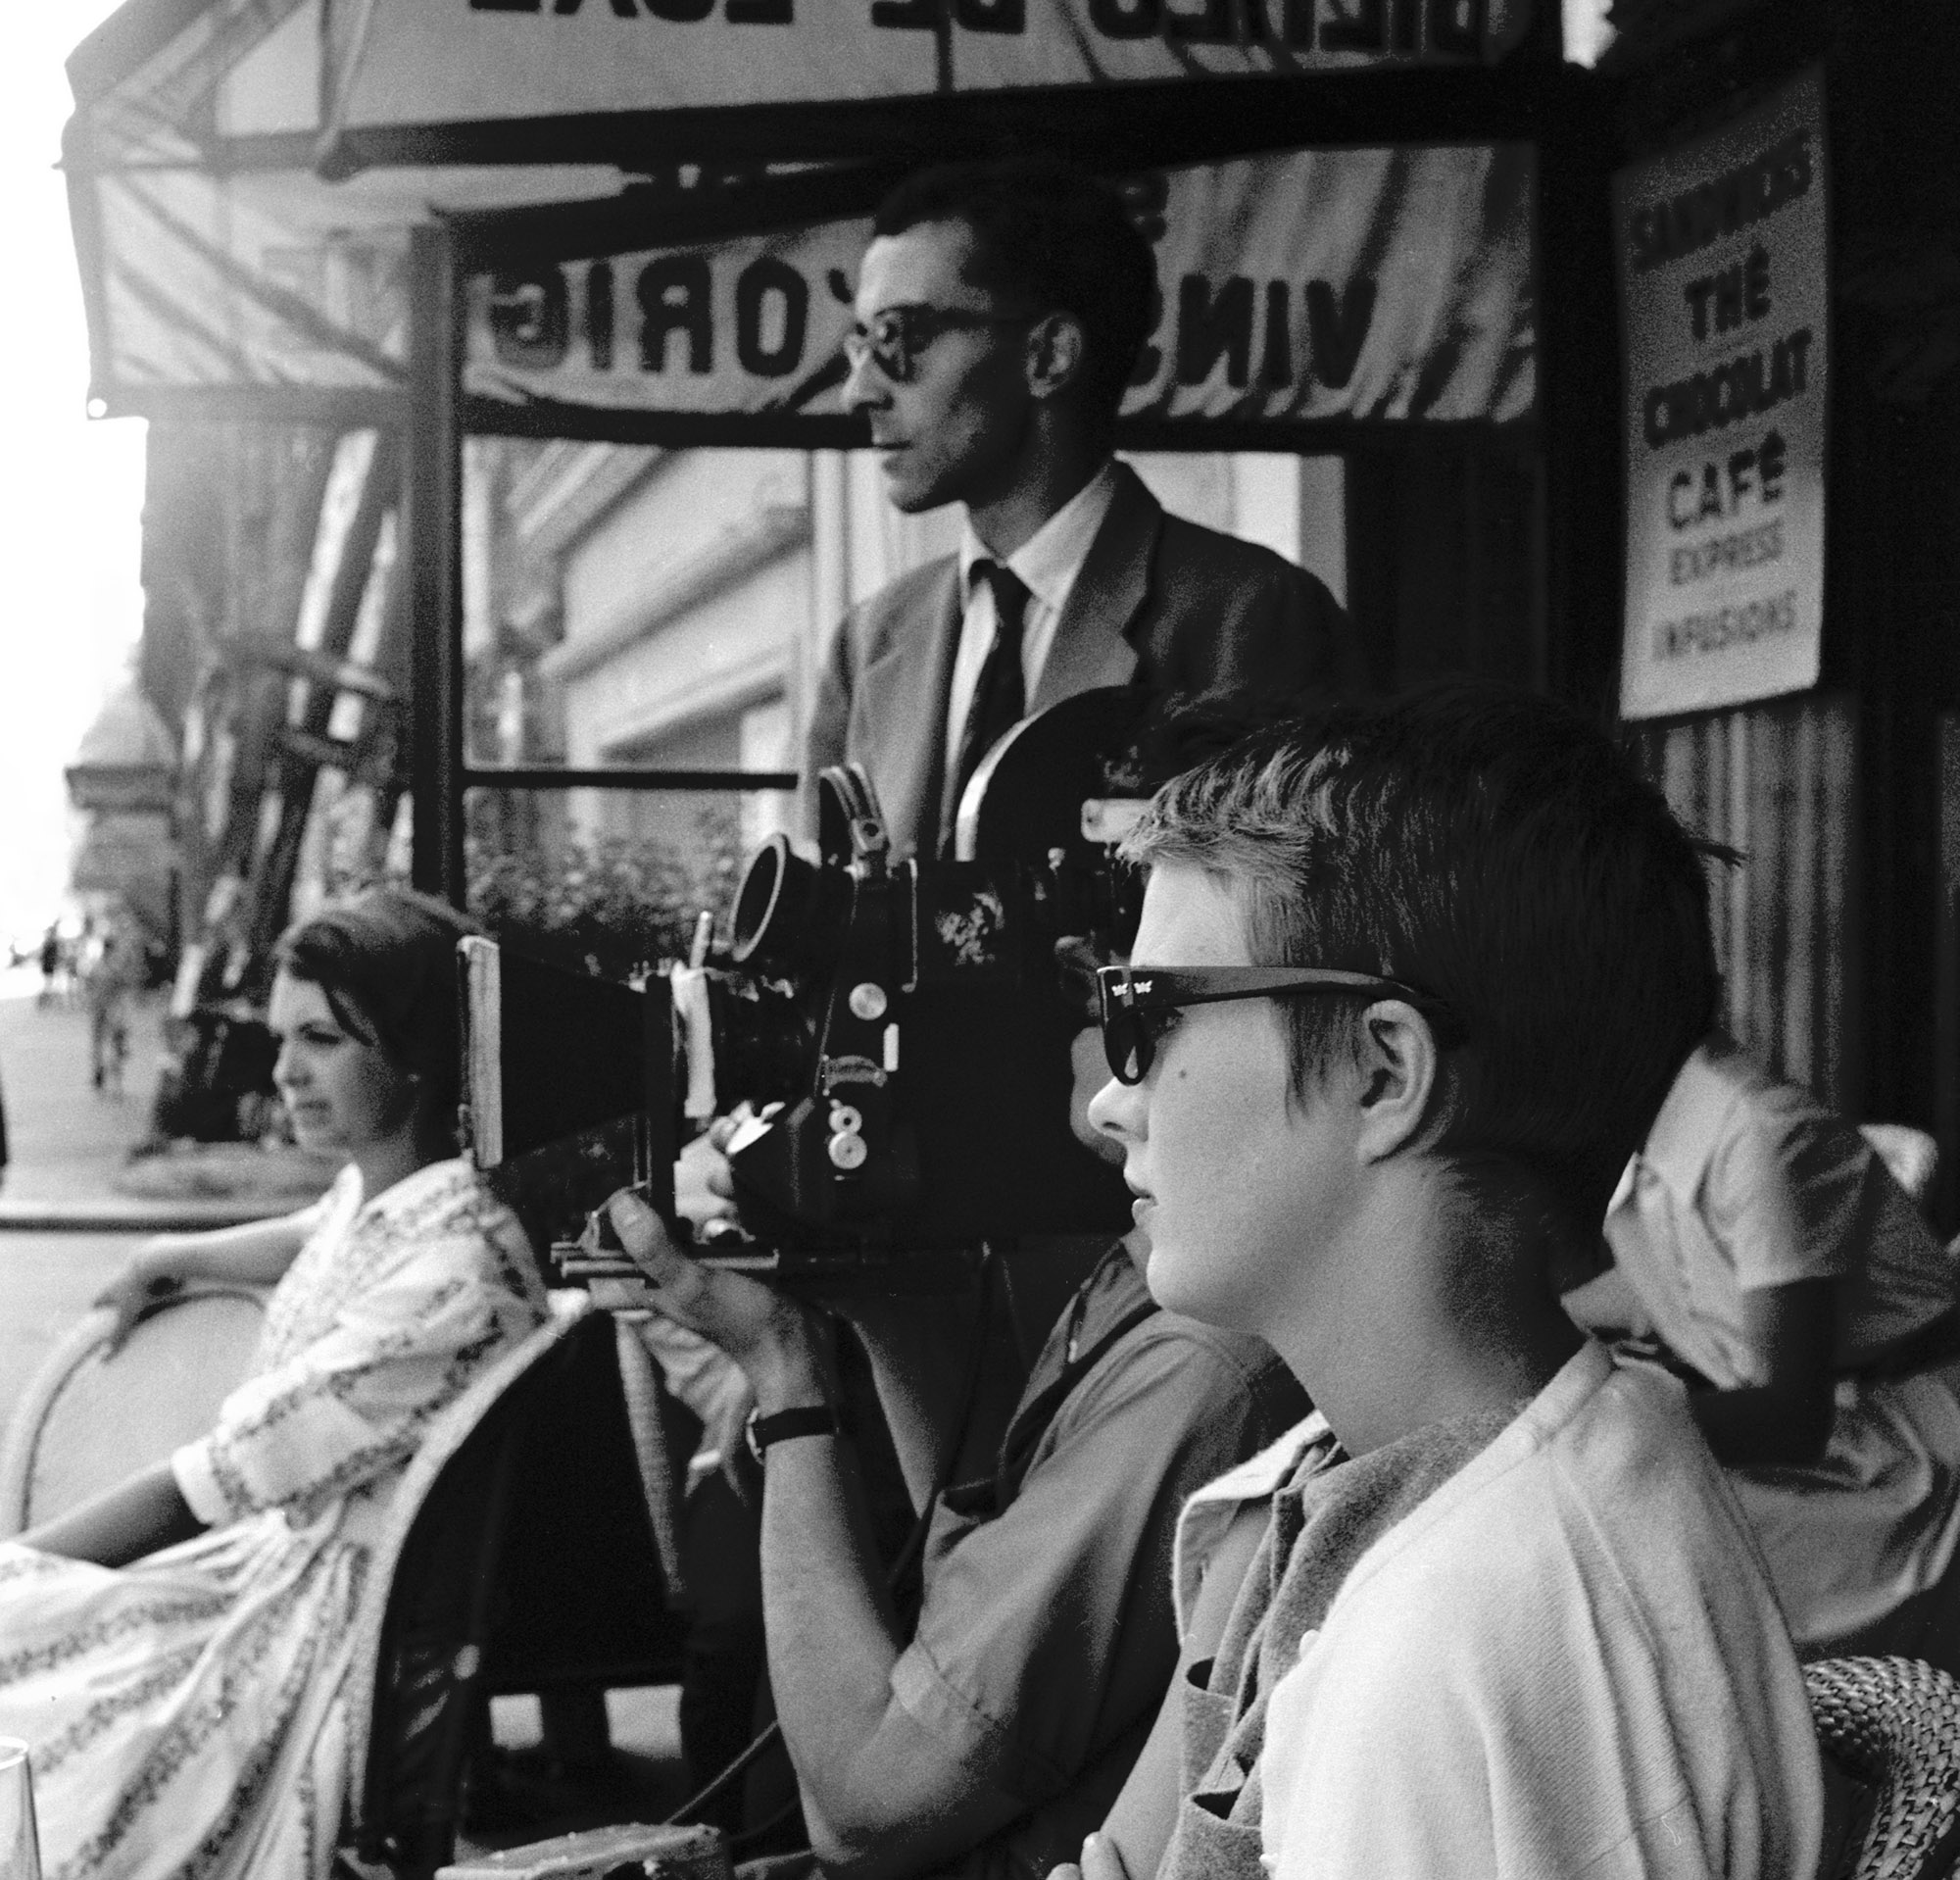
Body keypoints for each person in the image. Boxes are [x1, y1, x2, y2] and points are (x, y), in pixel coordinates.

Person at [1054, 687, 1823, 1880]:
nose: (1112, 1100)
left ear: (1381, 1074)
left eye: (1142, 1015)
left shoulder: (1433, 1660)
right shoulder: (1482, 1462)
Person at [605, 966, 1309, 1880]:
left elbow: (866, 1806)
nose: (1102, 1079)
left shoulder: (1198, 1351)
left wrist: (785, 1371)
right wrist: (889, 1315)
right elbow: (969, 1592)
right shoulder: (1146, 1269)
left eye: (1133, 1002)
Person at [0, 887, 550, 1879]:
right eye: (281, 1035)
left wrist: (16, 1568)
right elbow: (315, 1235)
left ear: (419, 1053)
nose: (285, 1070)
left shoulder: (451, 1278)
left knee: (36, 1698)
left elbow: (200, 1486)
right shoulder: (398, 1197)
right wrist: (176, 1252)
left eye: (323, 1039)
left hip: (308, 1636)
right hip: (257, 1570)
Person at [806, 157, 1360, 861]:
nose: (860, 392)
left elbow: (1300, 926)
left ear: (1048, 356)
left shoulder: (1251, 620)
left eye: (898, 337)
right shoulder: (869, 645)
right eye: (861, 342)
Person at [1574, 1033, 1960, 1655]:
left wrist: (1593, 1427)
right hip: (1844, 1428)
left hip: (1910, 1447)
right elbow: (1674, 1286)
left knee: (1632, 1548)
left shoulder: (1756, 1136)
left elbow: (1791, 1417)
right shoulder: (1655, 1132)